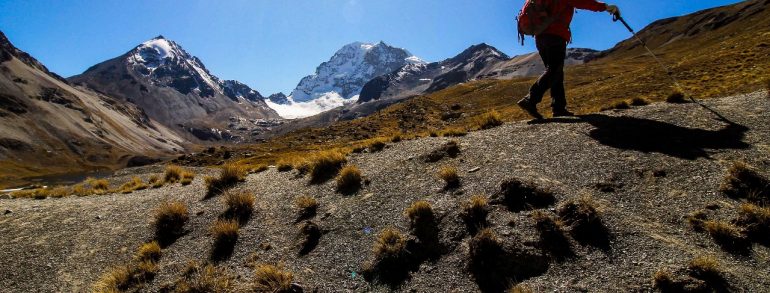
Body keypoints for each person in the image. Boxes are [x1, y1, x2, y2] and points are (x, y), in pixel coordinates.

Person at [517, 0, 620, 119]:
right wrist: (606, 7)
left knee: (556, 72)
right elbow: (583, 2)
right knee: (554, 70)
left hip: (540, 37)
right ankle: (530, 99)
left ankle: (559, 108)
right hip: (555, 34)